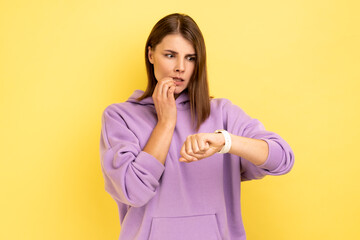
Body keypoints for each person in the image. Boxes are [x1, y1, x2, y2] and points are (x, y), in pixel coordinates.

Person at [100, 13, 294, 240]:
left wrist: (225, 141)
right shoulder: (120, 117)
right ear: (151, 54)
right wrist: (166, 122)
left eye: (190, 58)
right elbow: (133, 192)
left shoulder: (222, 113)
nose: (180, 67)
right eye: (170, 55)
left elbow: (282, 159)